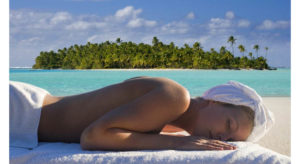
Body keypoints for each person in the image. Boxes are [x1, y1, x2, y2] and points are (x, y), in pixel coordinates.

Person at [9, 76, 274, 151]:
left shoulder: (172, 119)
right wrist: (178, 143)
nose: (222, 135)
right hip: (18, 110)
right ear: (215, 101)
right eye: (229, 123)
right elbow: (93, 137)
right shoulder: (175, 98)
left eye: (230, 139)